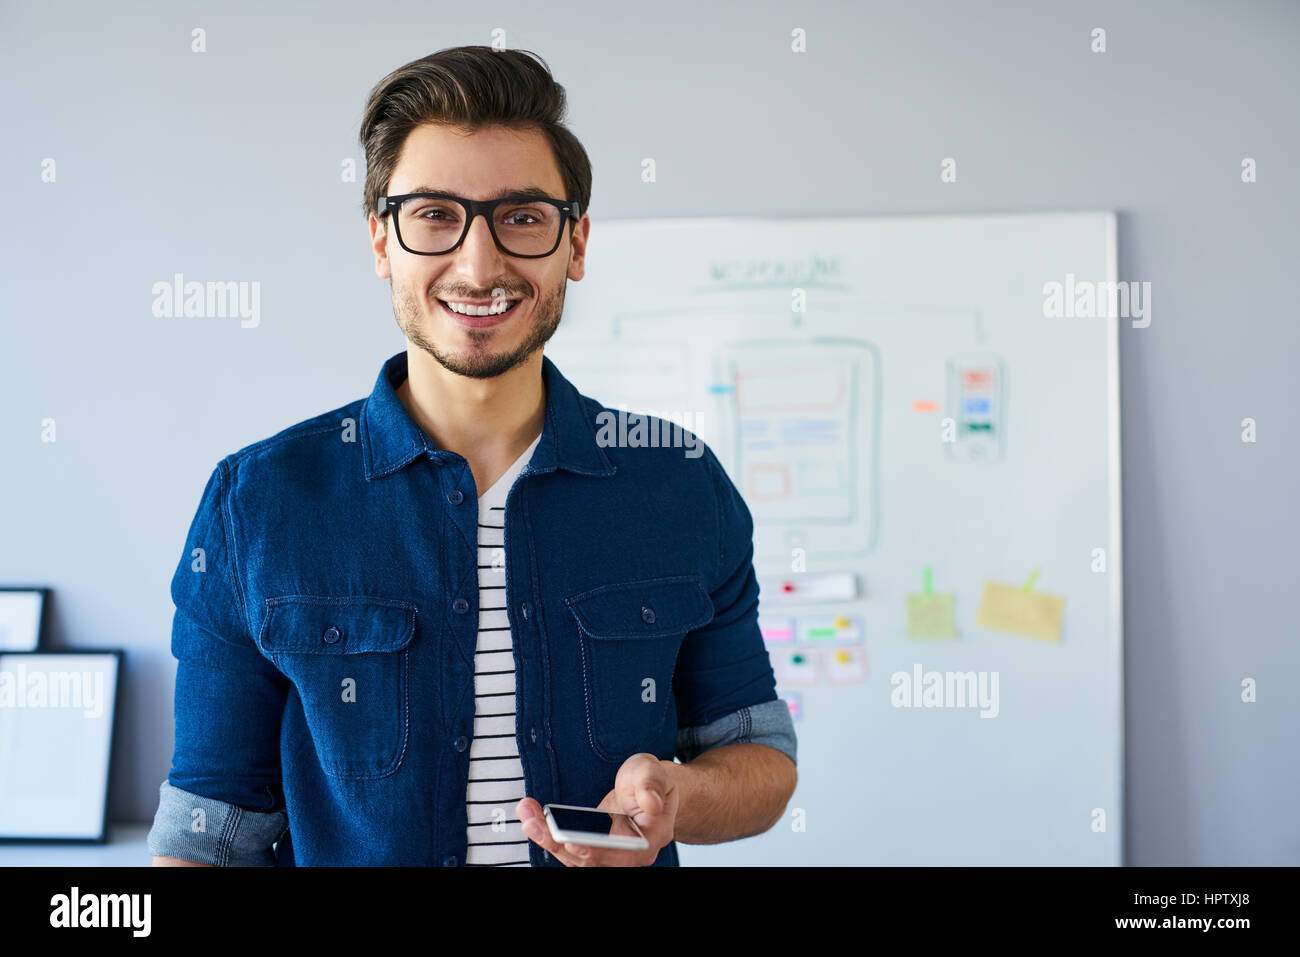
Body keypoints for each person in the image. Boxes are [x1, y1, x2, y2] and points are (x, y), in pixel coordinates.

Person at [148, 45, 796, 867]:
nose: (480, 263)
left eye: (522, 216)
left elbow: (762, 756)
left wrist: (680, 796)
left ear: (577, 243)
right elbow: (205, 831)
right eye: (434, 215)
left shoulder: (678, 480)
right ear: (382, 242)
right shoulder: (258, 502)